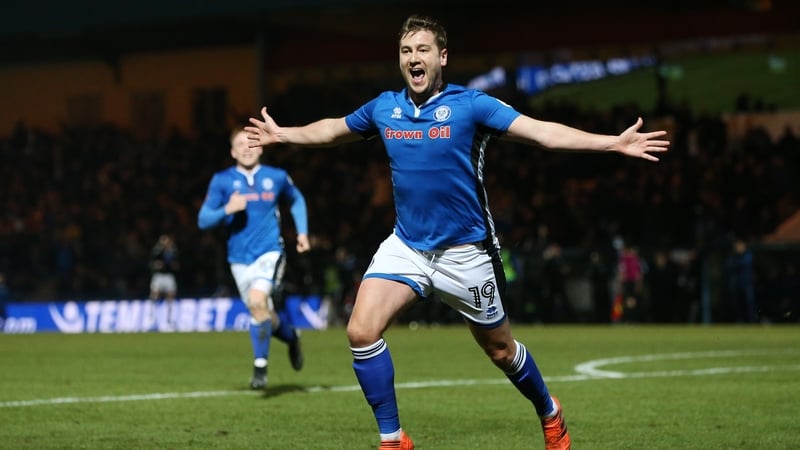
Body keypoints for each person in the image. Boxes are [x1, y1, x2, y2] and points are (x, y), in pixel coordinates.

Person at [246, 14, 669, 449]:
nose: (414, 58)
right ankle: (393, 440)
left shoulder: (472, 106)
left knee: (501, 351)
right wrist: (283, 134)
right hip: (407, 246)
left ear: (442, 57)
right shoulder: (384, 108)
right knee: (360, 331)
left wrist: (611, 143)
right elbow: (333, 129)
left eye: (423, 50)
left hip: (466, 254)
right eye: (407, 51)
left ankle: (549, 411)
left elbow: (542, 133)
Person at [197, 126, 311, 390]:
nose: (247, 148)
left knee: (258, 301)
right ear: (233, 151)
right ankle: (291, 337)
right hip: (238, 259)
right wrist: (228, 208)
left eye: (251, 142)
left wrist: (302, 233)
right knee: (261, 312)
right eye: (240, 144)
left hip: (270, 251)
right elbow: (203, 220)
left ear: (260, 146)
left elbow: (297, 200)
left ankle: (260, 368)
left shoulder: (277, 177)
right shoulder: (222, 181)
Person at [149, 233, 179, 324]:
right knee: (154, 295)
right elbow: (151, 264)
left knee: (170, 297)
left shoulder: (173, 252)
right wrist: (156, 265)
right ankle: (152, 317)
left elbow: (177, 265)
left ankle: (169, 319)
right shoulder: (157, 251)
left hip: (169, 276)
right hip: (159, 276)